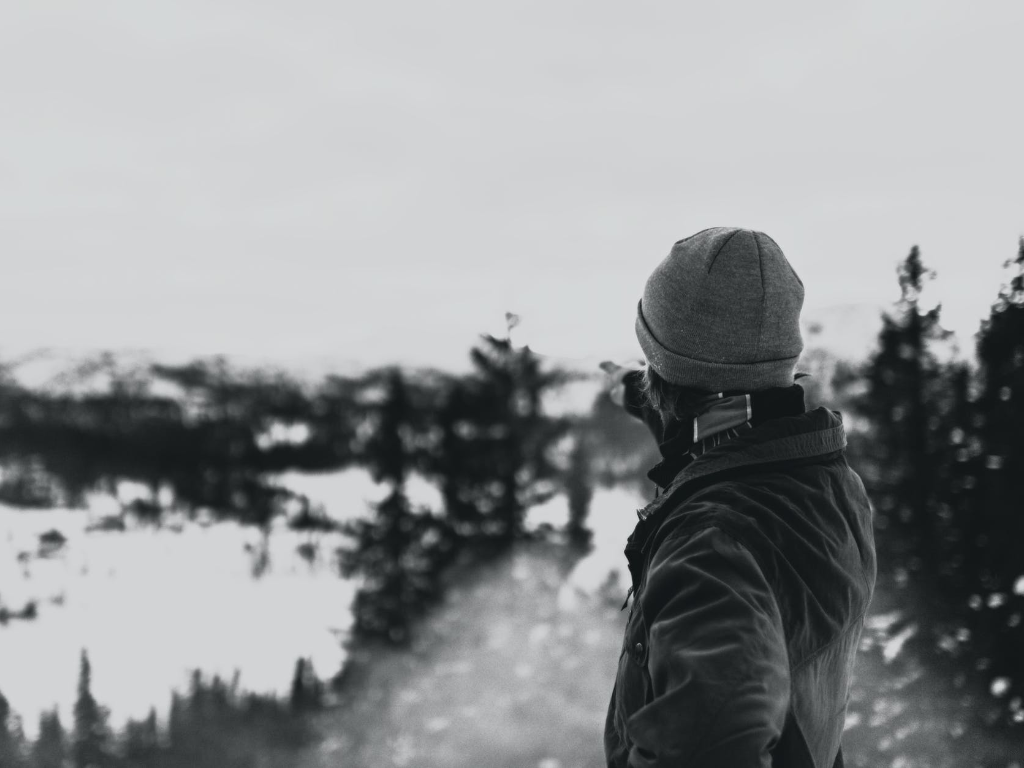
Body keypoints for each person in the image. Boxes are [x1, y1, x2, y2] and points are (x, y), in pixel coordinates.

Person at [603, 227, 876, 768]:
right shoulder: (826, 479)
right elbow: (706, 427)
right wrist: (636, 386)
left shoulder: (711, 548)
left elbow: (711, 745)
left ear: (669, 376)